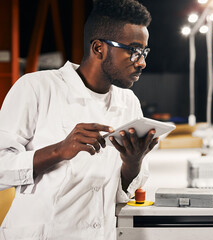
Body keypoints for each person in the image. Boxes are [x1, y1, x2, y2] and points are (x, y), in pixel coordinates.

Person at [0, 0, 157, 239]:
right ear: (98, 48)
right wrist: (58, 151)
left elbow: (122, 192)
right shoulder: (36, 88)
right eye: (134, 51)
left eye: (144, 52)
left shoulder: (129, 102)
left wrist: (132, 162)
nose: (142, 62)